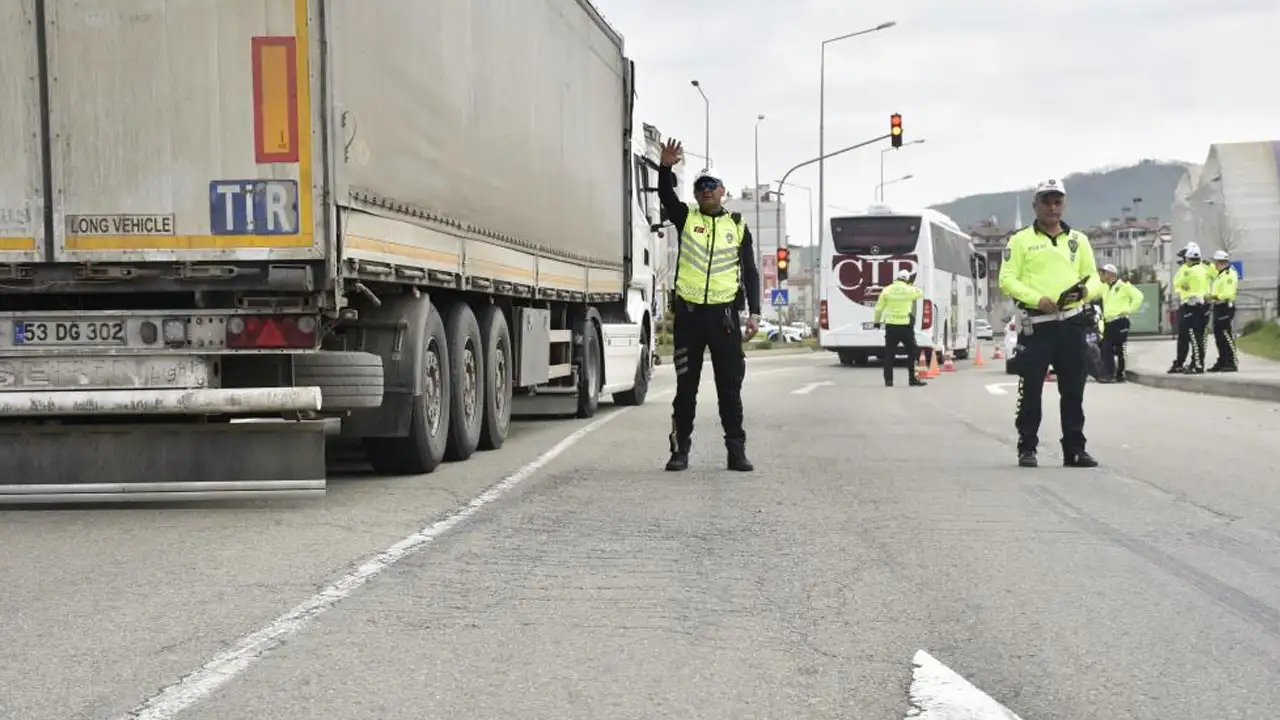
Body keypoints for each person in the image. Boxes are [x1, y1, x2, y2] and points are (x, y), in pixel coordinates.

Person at [655, 138, 761, 472]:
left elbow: (751, 272)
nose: (706, 191)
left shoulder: (738, 226)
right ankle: (680, 451)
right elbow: (666, 196)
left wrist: (754, 313)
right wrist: (665, 167)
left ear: (722, 190)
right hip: (689, 318)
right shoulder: (686, 218)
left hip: (724, 319)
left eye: (711, 186)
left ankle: (736, 450)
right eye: (701, 187)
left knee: (730, 390)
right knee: (686, 390)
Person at [998, 178, 1103, 468]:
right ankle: (1027, 446)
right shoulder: (1020, 241)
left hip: (1071, 322)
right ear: (1036, 205)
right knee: (1031, 388)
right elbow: (1007, 279)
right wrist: (1037, 298)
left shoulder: (1078, 240)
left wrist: (1085, 292)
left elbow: (1093, 277)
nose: (1052, 207)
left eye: (1057, 201)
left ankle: (1075, 449)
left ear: (1064, 204)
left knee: (1073, 389)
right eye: (1046, 201)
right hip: (1037, 323)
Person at [873, 269, 927, 387]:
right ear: (907, 280)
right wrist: (910, 285)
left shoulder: (886, 290)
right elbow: (920, 292)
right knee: (912, 352)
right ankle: (912, 379)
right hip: (906, 326)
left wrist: (877, 322)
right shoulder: (909, 290)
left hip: (891, 326)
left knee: (889, 354)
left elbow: (878, 309)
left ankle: (888, 381)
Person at [1168, 243, 1212, 374]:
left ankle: (1197, 364)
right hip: (1203, 304)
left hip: (1191, 305)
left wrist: (1183, 285)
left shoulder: (1188, 270)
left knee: (1193, 336)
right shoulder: (1204, 268)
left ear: (1187, 258)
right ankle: (1196, 363)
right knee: (1197, 337)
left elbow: (1177, 283)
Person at [1098, 263, 1144, 382]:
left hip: (1120, 320)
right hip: (1108, 322)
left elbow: (1139, 296)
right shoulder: (1104, 287)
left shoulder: (1123, 286)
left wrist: (1129, 310)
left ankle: (1120, 373)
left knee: (1120, 348)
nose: (1101, 275)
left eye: (1104, 272)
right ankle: (1109, 374)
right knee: (1106, 348)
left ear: (1111, 274)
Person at [1208, 250, 1240, 372]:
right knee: (1219, 336)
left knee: (1226, 335)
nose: (1214, 264)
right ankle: (1223, 360)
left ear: (1219, 262)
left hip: (1225, 307)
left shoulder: (1228, 274)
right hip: (1218, 307)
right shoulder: (1220, 274)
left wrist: (1213, 297)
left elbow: (1227, 294)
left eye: (1215, 262)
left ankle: (1231, 361)